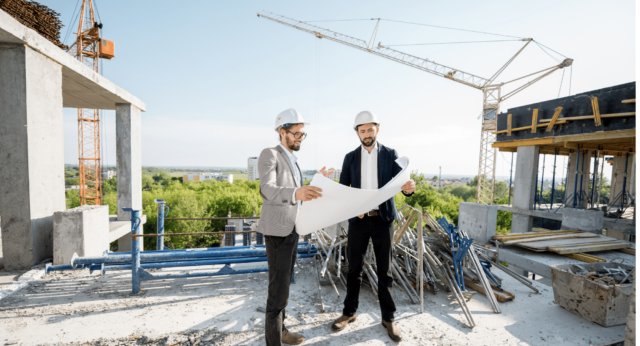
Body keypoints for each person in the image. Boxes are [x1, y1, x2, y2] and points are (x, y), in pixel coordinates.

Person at [331, 111, 416, 342]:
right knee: (354, 268)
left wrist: (410, 187)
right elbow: (343, 191)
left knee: (384, 271)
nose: (366, 134)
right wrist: (353, 207)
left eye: (370, 129)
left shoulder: (391, 154)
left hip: (383, 219)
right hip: (358, 221)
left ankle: (388, 318)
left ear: (377, 129)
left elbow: (403, 184)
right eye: (362, 130)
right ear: (357, 132)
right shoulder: (350, 158)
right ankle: (349, 313)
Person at [257, 108, 325, 346]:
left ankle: (282, 331)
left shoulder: (294, 161)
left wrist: (317, 182)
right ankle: (274, 341)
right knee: (277, 291)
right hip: (277, 232)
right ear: (281, 132)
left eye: (302, 134)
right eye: (296, 133)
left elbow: (299, 194)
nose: (300, 138)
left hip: (291, 229)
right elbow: (267, 189)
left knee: (284, 285)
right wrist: (297, 192)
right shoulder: (270, 154)